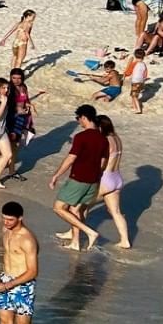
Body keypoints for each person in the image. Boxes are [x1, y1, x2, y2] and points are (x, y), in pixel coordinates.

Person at [0, 202, 50, 324]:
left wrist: (7, 285)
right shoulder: (6, 230)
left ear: (20, 218)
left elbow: (33, 272)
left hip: (23, 286)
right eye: (4, 219)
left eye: (10, 220)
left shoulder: (27, 240)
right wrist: (3, 280)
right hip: (6, 280)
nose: (6, 223)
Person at [47, 104, 107, 252]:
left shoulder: (81, 137)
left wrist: (56, 175)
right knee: (75, 211)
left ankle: (89, 232)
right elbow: (103, 163)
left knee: (59, 208)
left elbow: (70, 158)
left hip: (79, 178)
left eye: (78, 119)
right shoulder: (103, 139)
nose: (78, 122)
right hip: (93, 180)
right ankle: (75, 242)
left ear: (84, 118)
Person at [89, 113, 133, 249]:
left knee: (80, 205)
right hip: (117, 177)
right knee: (116, 212)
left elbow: (100, 161)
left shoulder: (105, 141)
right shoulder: (117, 138)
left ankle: (75, 233)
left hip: (106, 178)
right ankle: (125, 240)